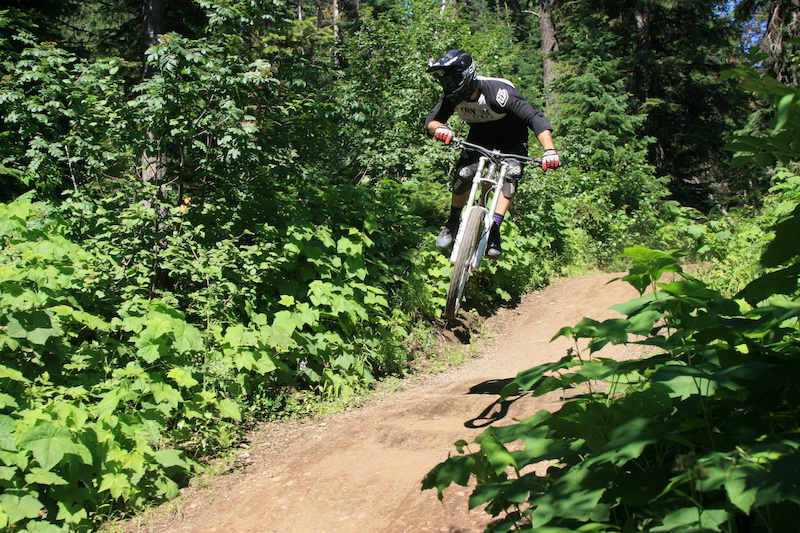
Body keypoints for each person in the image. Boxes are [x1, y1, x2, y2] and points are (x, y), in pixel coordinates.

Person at [425, 49, 560, 258]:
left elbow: (535, 118)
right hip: (480, 136)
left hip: (512, 138)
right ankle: (452, 222)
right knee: (463, 176)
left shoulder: (499, 94)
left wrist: (549, 150)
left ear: (468, 75)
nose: (450, 85)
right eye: (446, 81)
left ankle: (494, 229)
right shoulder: (451, 96)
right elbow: (432, 121)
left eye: (454, 79)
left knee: (512, 174)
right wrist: (440, 129)